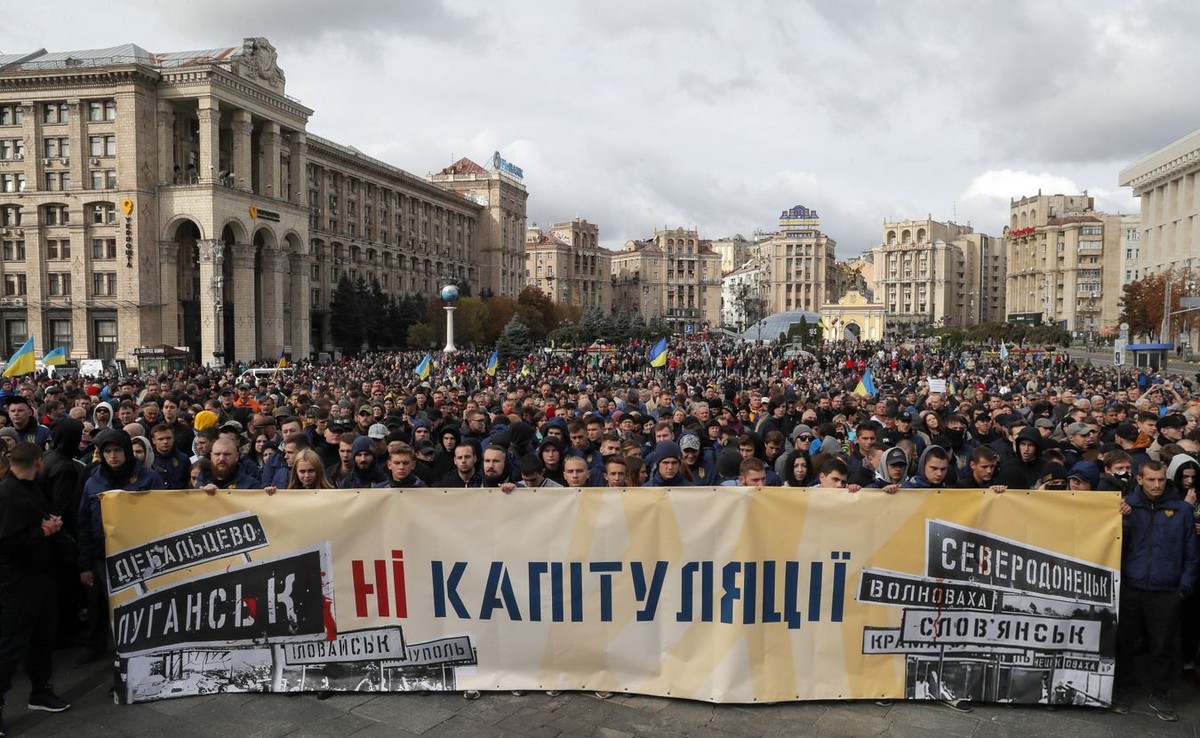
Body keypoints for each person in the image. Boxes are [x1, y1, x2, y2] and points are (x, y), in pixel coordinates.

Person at [1113, 461, 1199, 721]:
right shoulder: (1125, 506)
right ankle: (1122, 689)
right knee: (1124, 643)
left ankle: (1160, 694)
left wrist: (1183, 587)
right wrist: (1124, 520)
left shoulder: (1182, 510)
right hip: (1131, 587)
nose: (1157, 485)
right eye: (1151, 480)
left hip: (1167, 591)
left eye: (1161, 480)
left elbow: (1192, 553)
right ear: (1139, 479)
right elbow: (1113, 544)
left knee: (1162, 646)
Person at [76, 429, 165, 664]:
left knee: (132, 608)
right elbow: (83, 522)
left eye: (117, 451)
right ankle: (96, 647)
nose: (112, 456)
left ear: (126, 451)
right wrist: (84, 565)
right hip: (100, 555)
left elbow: (163, 516)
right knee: (97, 604)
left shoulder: (149, 478)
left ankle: (131, 658)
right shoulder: (94, 479)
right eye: (107, 452)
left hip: (137, 557)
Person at [0, 442, 72, 728]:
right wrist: (43, 531)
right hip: (18, 583)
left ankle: (41, 691)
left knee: (43, 637)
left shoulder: (29, 487)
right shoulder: (8, 493)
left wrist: (48, 524)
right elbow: (6, 543)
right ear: (38, 462)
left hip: (42, 577)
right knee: (12, 644)